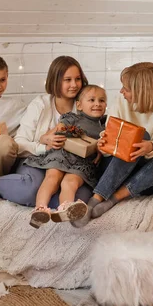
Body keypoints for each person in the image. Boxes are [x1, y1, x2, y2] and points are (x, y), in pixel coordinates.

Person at [73, 62, 153, 227]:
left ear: (141, 92)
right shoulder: (121, 101)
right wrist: (104, 142)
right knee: (141, 135)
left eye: (125, 88)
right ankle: (95, 199)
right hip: (116, 172)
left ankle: (114, 198)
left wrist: (152, 146)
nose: (121, 91)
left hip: (149, 177)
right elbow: (110, 136)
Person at [0, 56, 93, 207]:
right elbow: (19, 143)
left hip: (71, 166)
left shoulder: (85, 104)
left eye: (77, 79)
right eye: (67, 80)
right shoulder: (40, 104)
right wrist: (43, 146)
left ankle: (50, 201)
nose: (74, 85)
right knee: (30, 190)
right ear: (55, 80)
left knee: (80, 199)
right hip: (37, 161)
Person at [26, 85, 107, 228]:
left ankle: (65, 208)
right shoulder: (73, 118)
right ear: (79, 105)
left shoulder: (104, 128)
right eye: (92, 100)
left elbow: (105, 146)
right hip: (62, 155)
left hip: (82, 163)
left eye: (102, 100)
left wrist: (101, 149)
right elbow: (53, 133)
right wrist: (53, 135)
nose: (97, 104)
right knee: (52, 178)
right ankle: (40, 210)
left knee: (70, 183)